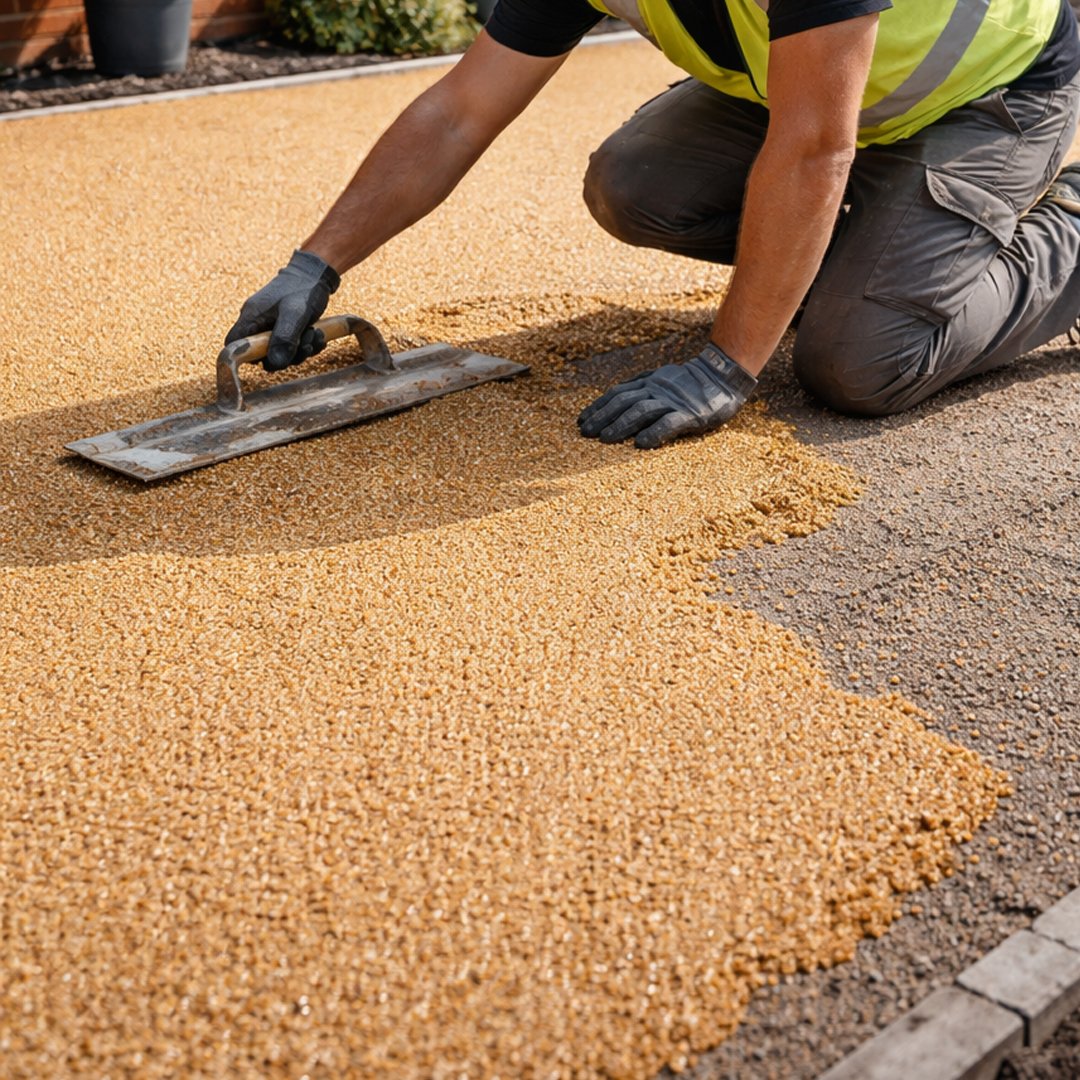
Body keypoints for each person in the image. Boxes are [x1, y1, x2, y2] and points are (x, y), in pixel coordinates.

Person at [227, 0, 1080, 449]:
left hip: (984, 93)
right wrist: (317, 263)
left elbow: (816, 150)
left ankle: (1064, 225)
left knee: (858, 362)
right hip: (817, 93)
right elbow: (460, 112)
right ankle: (882, 257)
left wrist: (726, 366)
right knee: (632, 183)